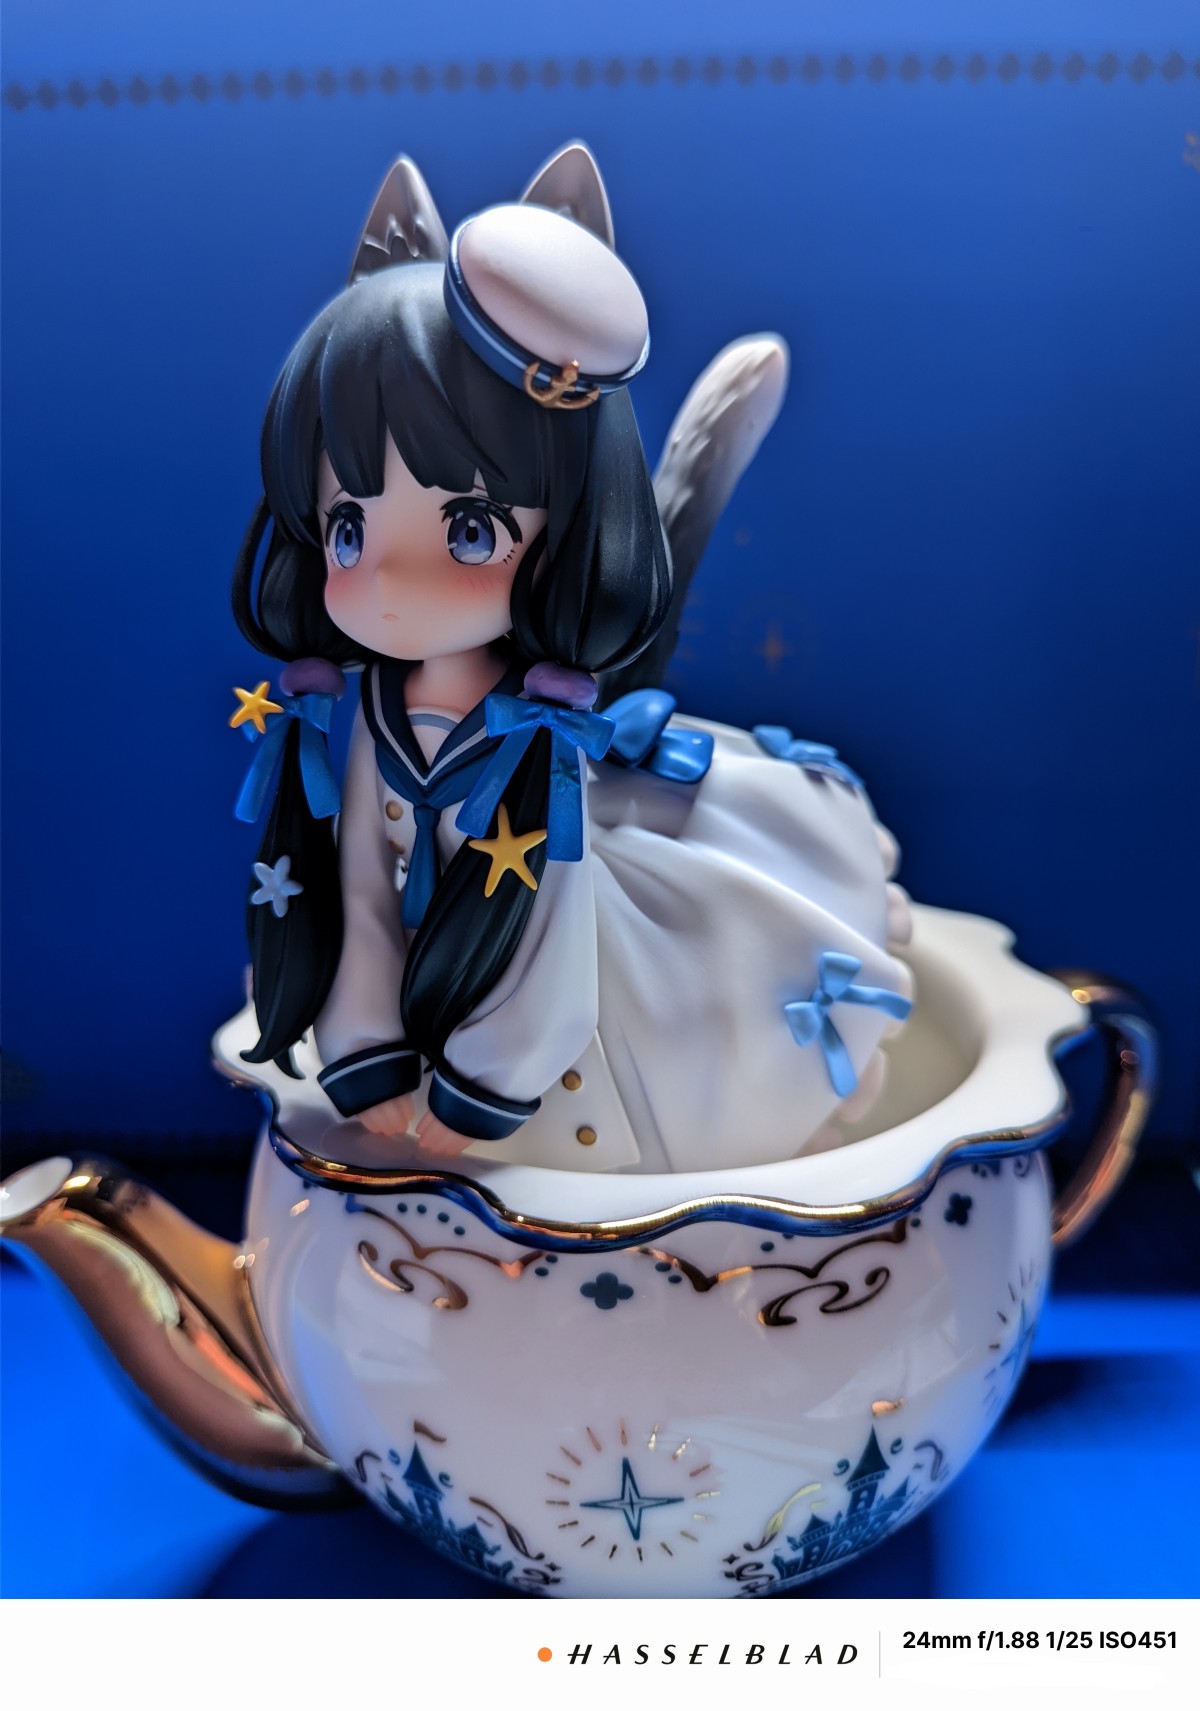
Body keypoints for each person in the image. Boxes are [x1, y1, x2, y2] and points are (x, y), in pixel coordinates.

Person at [231, 145, 912, 1175]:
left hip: (558, 1024)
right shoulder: (370, 714)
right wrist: (365, 1050)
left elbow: (550, 929)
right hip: (429, 1000)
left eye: (468, 529)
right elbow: (357, 886)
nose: (390, 581)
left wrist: (486, 1082)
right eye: (349, 529)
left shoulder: (531, 733)